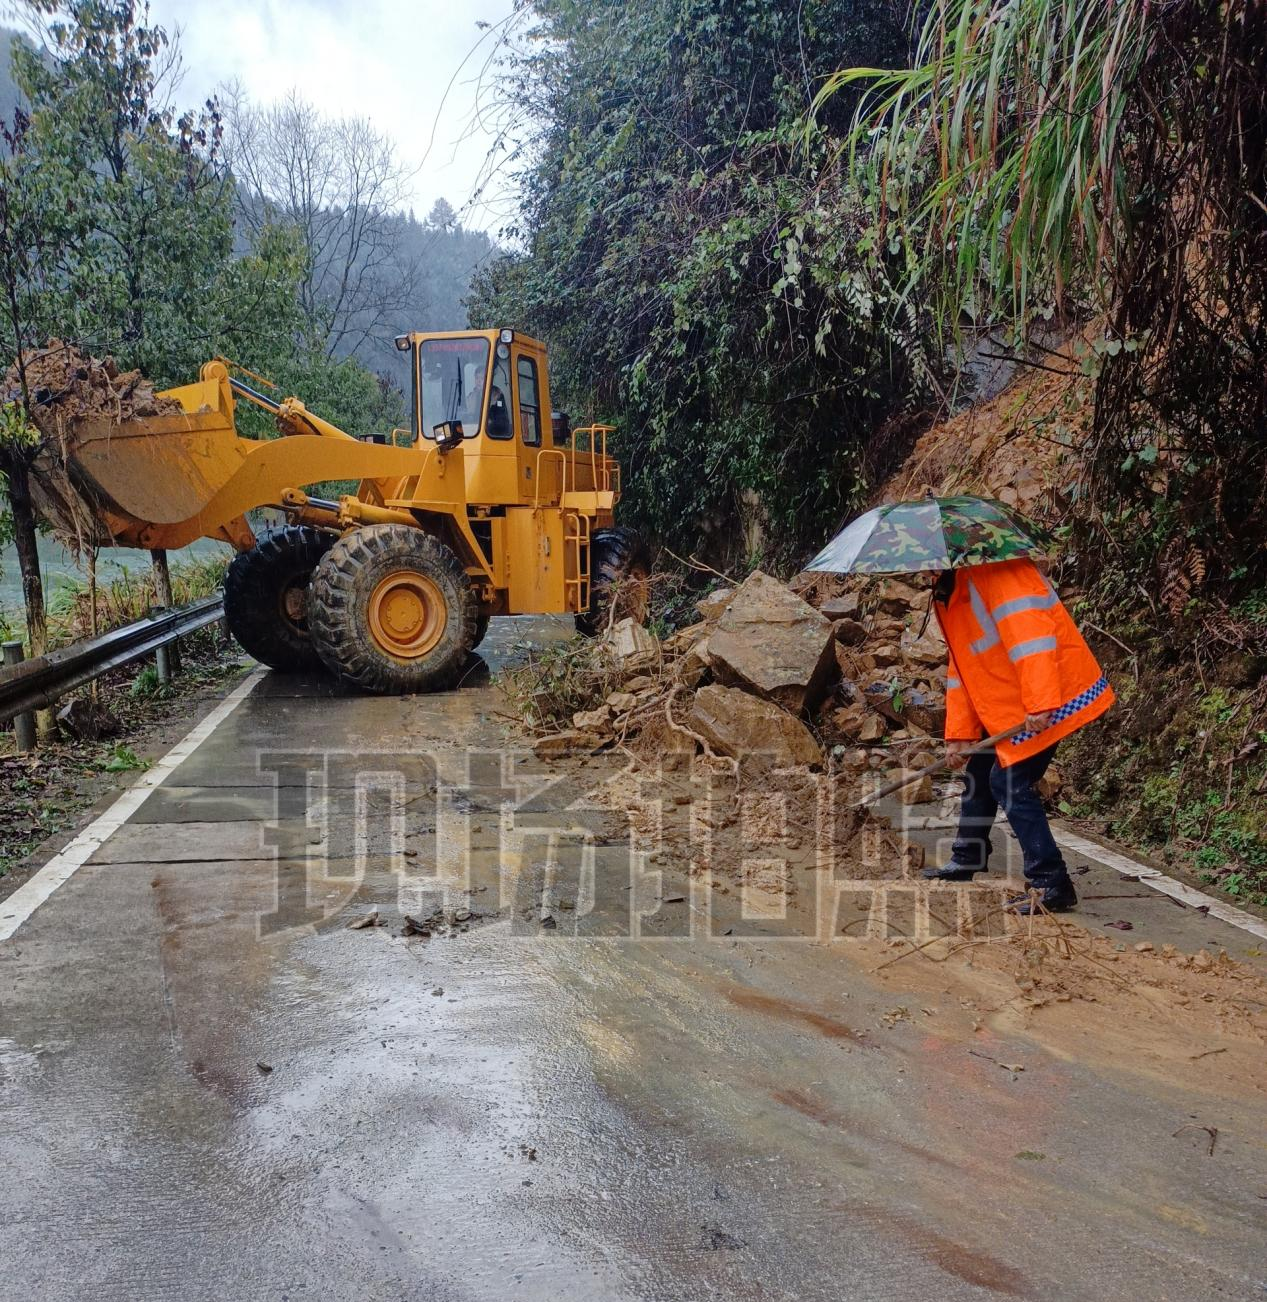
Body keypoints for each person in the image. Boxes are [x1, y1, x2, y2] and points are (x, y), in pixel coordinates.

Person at [921, 557, 1114, 913]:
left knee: (1009, 782)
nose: (922, 571)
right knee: (979, 769)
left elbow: (1034, 640)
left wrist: (1041, 703)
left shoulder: (1003, 575)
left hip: (1053, 698)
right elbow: (963, 670)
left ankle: (1052, 883)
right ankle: (968, 857)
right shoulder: (951, 591)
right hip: (1010, 705)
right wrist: (960, 735)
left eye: (928, 562)